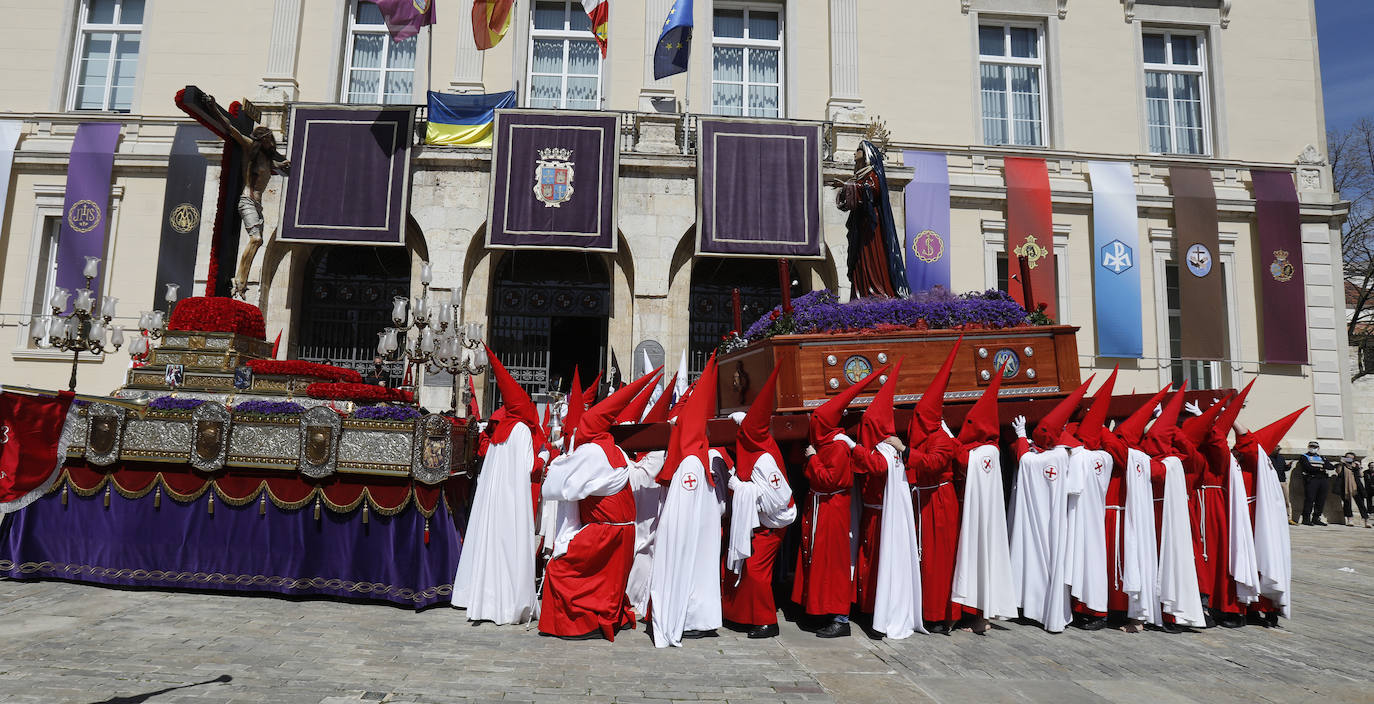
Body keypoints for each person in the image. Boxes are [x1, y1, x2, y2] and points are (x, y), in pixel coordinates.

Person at [537, 373, 659, 641]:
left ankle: (583, 623)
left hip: (606, 532)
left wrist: (555, 462)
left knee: (560, 567)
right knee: (608, 582)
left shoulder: (593, 452)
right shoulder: (613, 448)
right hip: (622, 532)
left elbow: (558, 486)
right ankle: (612, 615)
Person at [792, 362, 889, 638]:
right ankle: (820, 611)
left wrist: (811, 459)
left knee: (833, 564)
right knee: (818, 561)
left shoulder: (835, 447)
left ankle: (840, 618)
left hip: (832, 510)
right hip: (822, 508)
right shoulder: (828, 444)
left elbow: (827, 480)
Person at [451, 349, 542, 625]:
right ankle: (508, 602)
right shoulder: (523, 431)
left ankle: (482, 598)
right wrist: (545, 458)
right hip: (513, 500)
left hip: (494, 500)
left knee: (491, 545)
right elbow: (529, 467)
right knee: (510, 547)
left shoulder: (500, 431)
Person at [649, 357, 726, 648]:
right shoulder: (698, 459)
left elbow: (677, 515)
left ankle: (695, 619)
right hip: (702, 532)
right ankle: (701, 619)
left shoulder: (691, 464)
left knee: (697, 573)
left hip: (694, 536)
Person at [1008, 376, 1093, 633]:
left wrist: (1021, 437)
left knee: (1035, 561)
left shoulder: (1045, 457)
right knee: (1047, 564)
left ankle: (1038, 610)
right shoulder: (1062, 454)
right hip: (1054, 520)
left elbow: (1025, 462)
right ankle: (1046, 610)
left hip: (1041, 519)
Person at [853, 359, 931, 640]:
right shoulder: (887, 446)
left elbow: (875, 467)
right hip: (875, 512)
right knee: (871, 563)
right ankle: (872, 605)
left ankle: (882, 611)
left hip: (881, 515)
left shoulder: (886, 450)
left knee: (877, 563)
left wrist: (855, 448)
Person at [722, 367, 796, 639]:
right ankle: (738, 616)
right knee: (737, 566)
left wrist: (740, 488)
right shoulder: (754, 441)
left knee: (755, 571)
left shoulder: (764, 459)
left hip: (772, 524)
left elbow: (778, 498)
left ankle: (766, 622)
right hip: (756, 522)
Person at [949, 359, 1019, 632]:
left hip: (985, 520)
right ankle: (977, 615)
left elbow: (968, 462)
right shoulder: (983, 448)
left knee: (984, 561)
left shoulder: (989, 450)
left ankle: (983, 617)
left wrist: (950, 440)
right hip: (977, 513)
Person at [904, 343, 964, 633]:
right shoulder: (930, 433)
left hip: (939, 501)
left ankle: (939, 614)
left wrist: (906, 452)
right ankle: (928, 610)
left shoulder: (940, 437)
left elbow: (935, 462)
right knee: (926, 558)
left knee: (939, 560)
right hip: (927, 500)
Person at [831, 140, 908, 299]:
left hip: (872, 227)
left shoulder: (873, 173)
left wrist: (852, 187)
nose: (854, 154)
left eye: (858, 150)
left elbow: (873, 190)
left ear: (866, 154)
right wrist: (846, 188)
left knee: (872, 258)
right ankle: (862, 292)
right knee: (860, 260)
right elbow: (850, 201)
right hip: (860, 225)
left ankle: (877, 291)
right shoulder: (860, 175)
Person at [1296, 441, 1332, 526]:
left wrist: (1320, 467)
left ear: (1318, 448)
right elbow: (1307, 467)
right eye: (1311, 446)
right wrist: (1320, 469)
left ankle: (1316, 518)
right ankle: (1306, 518)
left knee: (1321, 500)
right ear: (1308, 447)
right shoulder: (1304, 456)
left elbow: (1330, 466)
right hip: (1312, 479)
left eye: (1315, 447)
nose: (1313, 448)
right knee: (1310, 499)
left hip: (1323, 480)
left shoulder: (1322, 457)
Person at [1336, 452, 1370, 528]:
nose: (1349, 459)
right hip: (1345, 487)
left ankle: (1366, 520)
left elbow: (1361, 475)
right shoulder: (1342, 465)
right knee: (1347, 504)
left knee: (1361, 504)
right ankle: (1350, 519)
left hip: (1356, 487)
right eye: (1347, 457)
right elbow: (1338, 472)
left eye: (1351, 458)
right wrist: (1341, 463)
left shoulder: (1356, 465)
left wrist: (1360, 467)